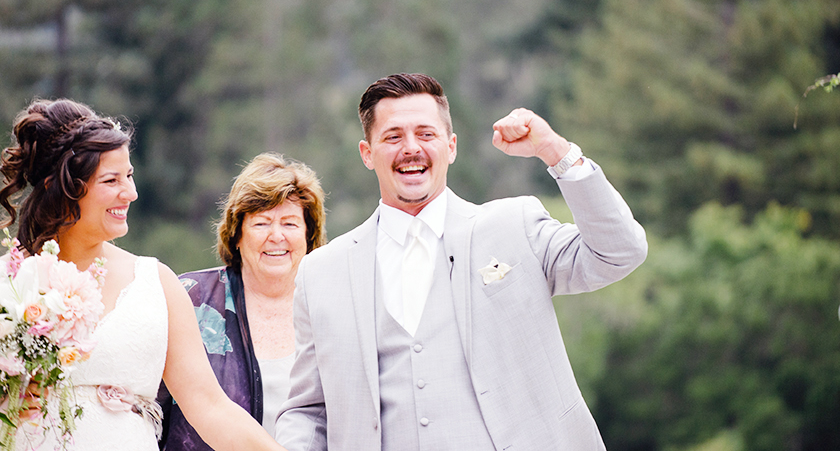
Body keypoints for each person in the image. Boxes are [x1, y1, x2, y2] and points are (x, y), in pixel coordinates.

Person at [275, 73, 648, 450]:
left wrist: (555, 150)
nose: (411, 149)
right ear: (367, 153)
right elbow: (308, 410)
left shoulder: (513, 226)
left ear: (451, 146)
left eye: (426, 134)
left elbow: (619, 252)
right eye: (393, 137)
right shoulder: (322, 272)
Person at [0, 99, 287, 451]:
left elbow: (211, 407)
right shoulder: (8, 286)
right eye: (111, 180)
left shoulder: (157, 283)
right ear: (58, 185)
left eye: (130, 176)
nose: (131, 193)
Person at [158, 153, 327, 449]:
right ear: (236, 234)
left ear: (308, 235)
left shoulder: (333, 306)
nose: (277, 236)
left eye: (289, 224)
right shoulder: (190, 297)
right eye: (262, 224)